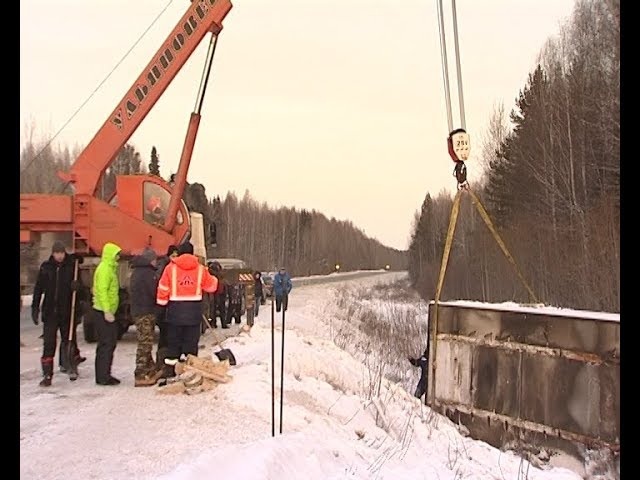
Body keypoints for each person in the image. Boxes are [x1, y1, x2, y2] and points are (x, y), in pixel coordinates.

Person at [156, 242, 218, 378]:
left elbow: (163, 289)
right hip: (193, 313)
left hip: (175, 313)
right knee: (191, 344)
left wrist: (161, 307)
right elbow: (212, 287)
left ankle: (171, 372)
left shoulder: (170, 269)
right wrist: (213, 276)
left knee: (173, 344)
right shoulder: (201, 269)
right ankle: (190, 373)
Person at [32, 241, 86, 386]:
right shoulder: (46, 268)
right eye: (57, 253)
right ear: (53, 253)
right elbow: (38, 289)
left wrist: (77, 287)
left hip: (67, 311)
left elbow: (81, 292)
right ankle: (47, 374)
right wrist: (35, 308)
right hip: (50, 312)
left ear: (64, 253)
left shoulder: (71, 267)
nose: (60, 256)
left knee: (69, 340)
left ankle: (71, 366)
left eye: (61, 253)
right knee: (49, 343)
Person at [130, 247, 163, 387]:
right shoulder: (149, 274)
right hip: (146, 311)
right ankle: (141, 373)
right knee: (145, 343)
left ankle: (150, 369)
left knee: (145, 340)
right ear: (151, 260)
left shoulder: (136, 272)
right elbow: (154, 293)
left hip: (138, 310)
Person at [92, 242, 122, 386]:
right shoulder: (105, 269)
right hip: (103, 312)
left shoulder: (109, 268)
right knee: (106, 343)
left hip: (106, 311)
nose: (118, 257)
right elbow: (102, 291)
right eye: (116, 254)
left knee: (108, 343)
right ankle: (103, 376)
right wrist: (106, 311)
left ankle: (104, 374)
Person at [154, 244, 179, 370]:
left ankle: (166, 364)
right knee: (165, 337)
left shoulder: (173, 267)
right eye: (172, 255)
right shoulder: (164, 267)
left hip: (172, 308)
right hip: (164, 309)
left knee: (170, 337)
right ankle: (162, 364)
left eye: (176, 255)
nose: (174, 258)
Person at [207, 261, 228, 329]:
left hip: (214, 292)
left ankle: (213, 323)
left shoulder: (210, 274)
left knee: (213, 309)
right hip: (219, 293)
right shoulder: (221, 275)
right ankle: (222, 323)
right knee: (221, 309)